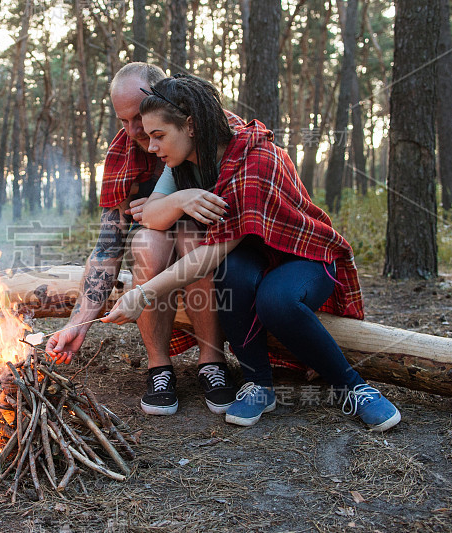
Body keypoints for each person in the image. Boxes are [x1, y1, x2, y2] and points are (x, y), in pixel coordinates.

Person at [102, 74, 401, 432]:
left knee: (274, 299)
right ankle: (259, 383)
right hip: (252, 255)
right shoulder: (182, 161)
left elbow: (211, 254)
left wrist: (141, 294)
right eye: (149, 137)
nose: (150, 148)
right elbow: (151, 214)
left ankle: (353, 387)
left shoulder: (254, 160)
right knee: (232, 276)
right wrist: (181, 199)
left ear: (191, 125)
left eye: (158, 136)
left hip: (300, 254)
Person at [45, 63, 245, 416]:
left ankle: (211, 361)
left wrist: (177, 204)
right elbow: (108, 247)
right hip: (158, 250)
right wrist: (78, 325)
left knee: (189, 234)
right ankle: (159, 367)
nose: (134, 131)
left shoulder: (212, 125)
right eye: (122, 121)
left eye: (138, 117)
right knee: (146, 244)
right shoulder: (122, 152)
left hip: (222, 247)